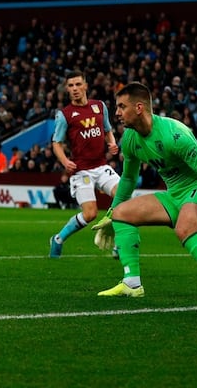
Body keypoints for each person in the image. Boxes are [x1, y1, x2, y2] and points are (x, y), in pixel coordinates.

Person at [91, 82, 197, 306]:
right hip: (175, 194)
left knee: (184, 229)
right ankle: (132, 284)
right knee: (121, 213)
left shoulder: (174, 134)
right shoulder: (130, 139)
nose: (117, 113)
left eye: (121, 107)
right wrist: (111, 213)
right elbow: (129, 179)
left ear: (139, 108)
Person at [48, 70, 119, 258]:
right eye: (71, 86)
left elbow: (107, 130)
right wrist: (65, 160)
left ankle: (119, 244)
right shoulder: (65, 115)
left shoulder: (99, 106)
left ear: (86, 86)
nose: (75, 89)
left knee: (123, 196)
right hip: (81, 171)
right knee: (90, 214)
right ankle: (58, 239)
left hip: (102, 166)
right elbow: (56, 142)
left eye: (78, 84)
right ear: (67, 89)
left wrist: (111, 143)